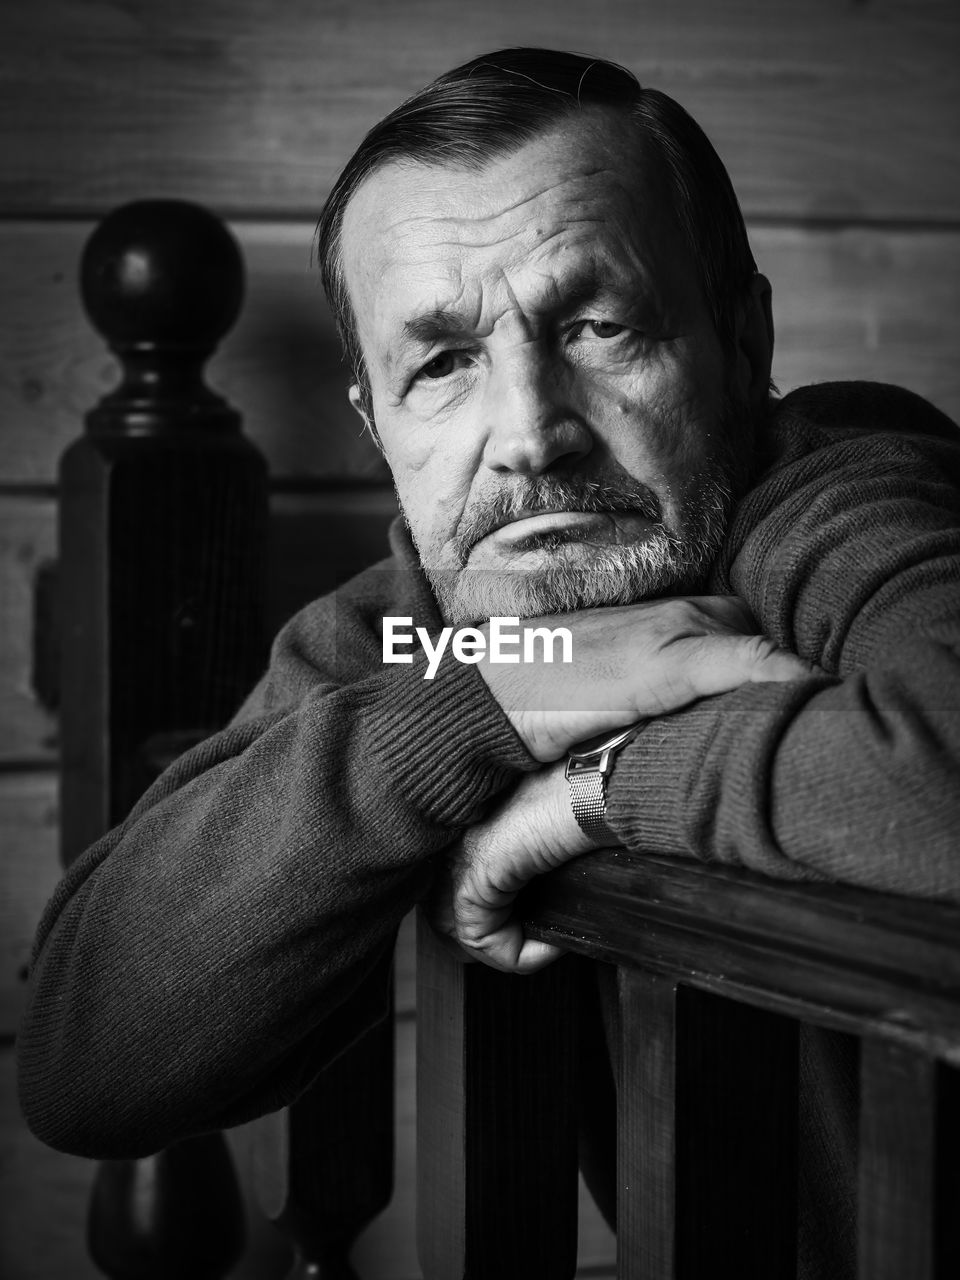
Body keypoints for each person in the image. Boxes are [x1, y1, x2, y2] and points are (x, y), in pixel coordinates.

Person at [17, 46, 960, 1277]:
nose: (528, 432)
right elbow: (84, 1061)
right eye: (444, 363)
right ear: (377, 424)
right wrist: (501, 700)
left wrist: (590, 791)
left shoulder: (848, 498)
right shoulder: (417, 623)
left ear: (742, 337)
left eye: (599, 326)